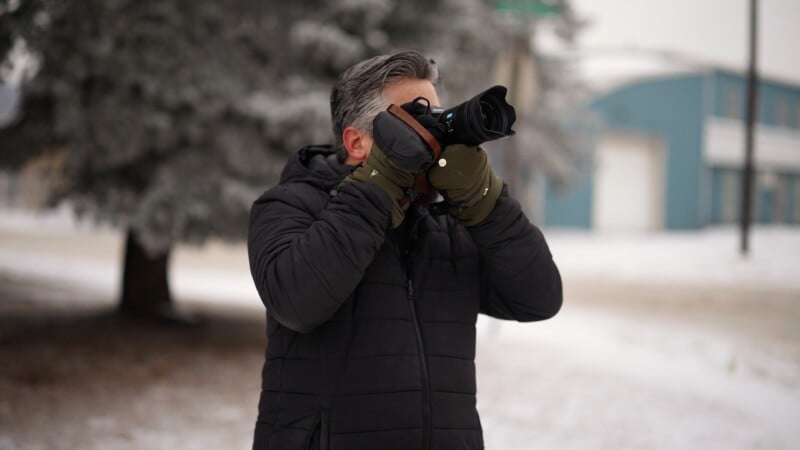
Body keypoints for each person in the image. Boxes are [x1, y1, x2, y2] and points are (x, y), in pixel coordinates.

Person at [247, 49, 562, 450]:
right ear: (356, 141)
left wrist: (487, 203)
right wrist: (381, 183)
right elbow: (297, 300)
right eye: (415, 121)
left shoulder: (446, 223)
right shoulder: (290, 205)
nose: (432, 138)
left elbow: (539, 298)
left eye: (436, 116)